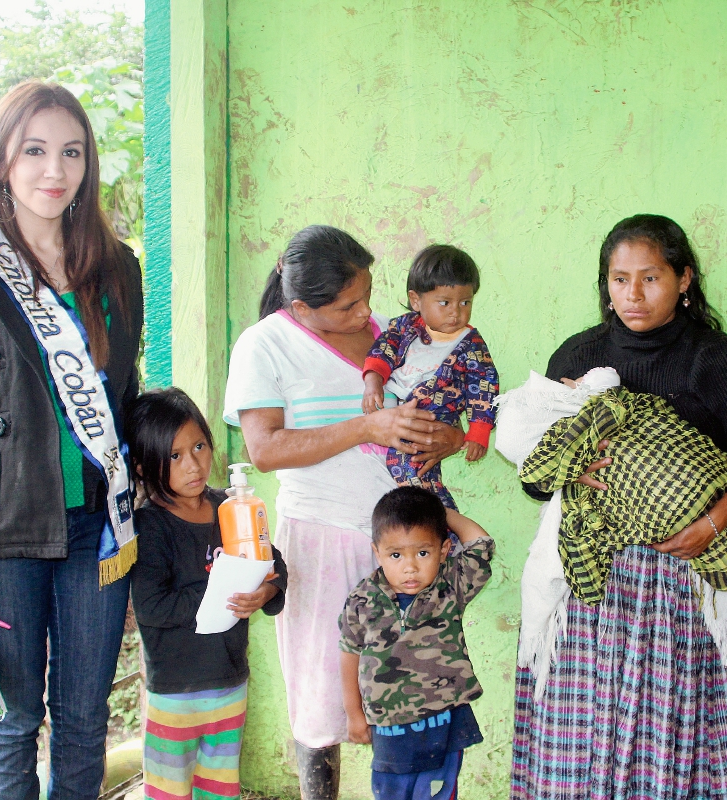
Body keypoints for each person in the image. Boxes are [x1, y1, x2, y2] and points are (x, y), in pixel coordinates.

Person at [0, 81, 143, 799]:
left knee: (83, 717)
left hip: (97, 533)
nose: (55, 170)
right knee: (9, 722)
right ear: (2, 163)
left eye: (71, 152)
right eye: (34, 150)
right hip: (2, 537)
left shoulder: (117, 271)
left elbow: (124, 402)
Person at [509, 214, 727, 800]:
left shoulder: (711, 357)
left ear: (683, 279)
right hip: (592, 584)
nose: (632, 295)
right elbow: (534, 474)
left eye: (651, 278)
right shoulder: (579, 354)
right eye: (619, 279)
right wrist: (568, 469)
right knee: (581, 727)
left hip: (682, 581)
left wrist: (711, 524)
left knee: (673, 729)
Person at [223, 225, 466, 799]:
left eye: (368, 294)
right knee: (324, 693)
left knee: (407, 688)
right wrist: (367, 426)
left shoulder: (392, 339)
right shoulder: (264, 345)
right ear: (302, 307)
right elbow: (265, 449)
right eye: (349, 304)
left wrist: (446, 440)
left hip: (402, 542)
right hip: (324, 540)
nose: (366, 311)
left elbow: (444, 417)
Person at [126, 388, 288, 800]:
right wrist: (222, 589)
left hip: (229, 683)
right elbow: (151, 606)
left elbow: (275, 563)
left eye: (198, 446)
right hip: (175, 693)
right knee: (168, 791)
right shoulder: (151, 527)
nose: (194, 465)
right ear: (145, 467)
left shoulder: (232, 508)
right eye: (175, 456)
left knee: (220, 787)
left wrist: (266, 590)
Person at [339, 487, 493, 800]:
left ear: (444, 549)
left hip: (445, 720)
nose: (410, 567)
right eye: (396, 555)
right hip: (391, 727)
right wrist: (353, 713)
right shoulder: (362, 600)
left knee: (439, 791)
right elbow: (349, 653)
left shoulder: (451, 585)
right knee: (391, 792)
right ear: (377, 552)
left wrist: (440, 511)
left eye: (423, 553)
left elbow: (480, 544)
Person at [361, 245, 499, 508]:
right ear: (416, 300)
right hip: (398, 411)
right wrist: (373, 381)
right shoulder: (404, 327)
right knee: (413, 480)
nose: (455, 312)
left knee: (414, 472)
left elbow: (484, 387)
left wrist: (479, 432)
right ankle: (443, 525)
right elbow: (383, 350)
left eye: (465, 302)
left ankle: (442, 524)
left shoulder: (471, 344)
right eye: (445, 302)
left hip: (435, 417)